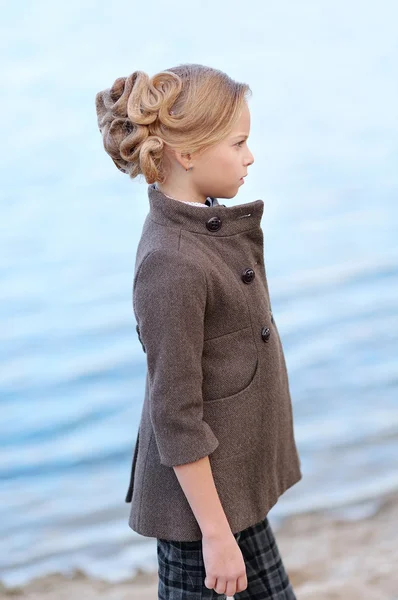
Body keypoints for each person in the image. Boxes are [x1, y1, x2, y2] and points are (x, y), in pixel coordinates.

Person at [95, 63, 303, 599]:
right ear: (187, 155)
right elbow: (175, 414)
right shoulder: (172, 262)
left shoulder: (205, 222)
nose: (250, 156)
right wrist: (214, 535)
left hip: (232, 494)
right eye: (238, 143)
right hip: (198, 518)